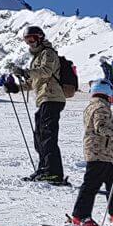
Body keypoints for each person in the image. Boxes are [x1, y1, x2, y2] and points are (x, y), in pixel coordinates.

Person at [68, 80, 113, 226]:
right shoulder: (101, 107)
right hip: (98, 153)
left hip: (100, 152)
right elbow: (101, 128)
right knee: (91, 186)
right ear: (108, 92)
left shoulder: (93, 105)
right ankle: (80, 215)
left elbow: (98, 131)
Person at [20, 25, 69, 185]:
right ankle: (44, 169)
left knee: (48, 135)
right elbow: (33, 81)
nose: (30, 43)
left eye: (32, 39)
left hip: (53, 97)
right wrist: (16, 86)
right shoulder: (37, 56)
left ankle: (54, 173)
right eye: (27, 40)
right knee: (39, 136)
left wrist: (27, 72)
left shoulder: (48, 53)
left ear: (40, 38)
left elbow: (46, 71)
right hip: (43, 99)